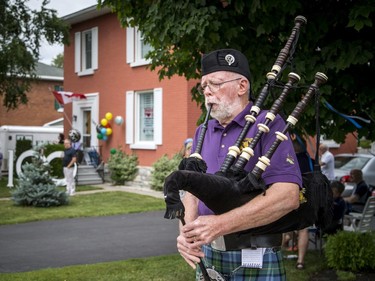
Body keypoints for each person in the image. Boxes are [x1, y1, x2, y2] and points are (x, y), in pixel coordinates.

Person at [177, 49, 301, 280]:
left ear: (242, 86)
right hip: (210, 252)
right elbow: (192, 189)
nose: (207, 92)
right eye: (203, 86)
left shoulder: (268, 123)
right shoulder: (202, 131)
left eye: (214, 83)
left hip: (254, 252)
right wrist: (187, 233)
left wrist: (222, 224)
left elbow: (288, 195)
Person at [282, 136, 313, 270]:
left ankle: (282, 248)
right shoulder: (310, 161)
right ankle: (300, 261)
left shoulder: (288, 161)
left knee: (283, 226)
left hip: (289, 197)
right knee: (303, 230)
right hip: (307, 197)